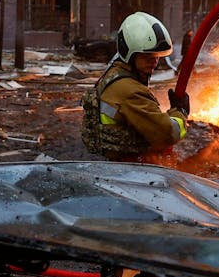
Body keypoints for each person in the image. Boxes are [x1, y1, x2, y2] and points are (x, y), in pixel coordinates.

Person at [80, 11, 190, 166]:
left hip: (109, 161)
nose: (154, 62)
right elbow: (166, 134)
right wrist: (180, 112)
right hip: (128, 168)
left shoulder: (113, 73)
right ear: (129, 54)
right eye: (147, 57)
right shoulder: (130, 91)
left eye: (157, 56)